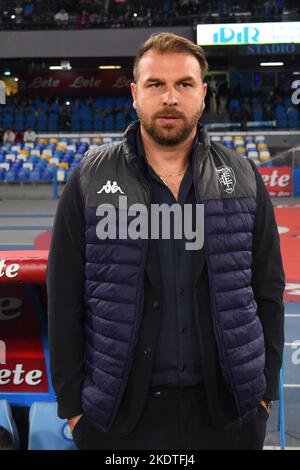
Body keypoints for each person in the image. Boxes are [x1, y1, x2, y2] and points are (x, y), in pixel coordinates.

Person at [47, 32, 285, 450]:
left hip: (229, 414)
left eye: (184, 85)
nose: (170, 98)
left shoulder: (244, 177)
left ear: (203, 93)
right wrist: (74, 405)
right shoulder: (89, 177)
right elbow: (64, 296)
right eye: (156, 84)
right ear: (135, 94)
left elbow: (267, 290)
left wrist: (262, 394)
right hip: (116, 418)